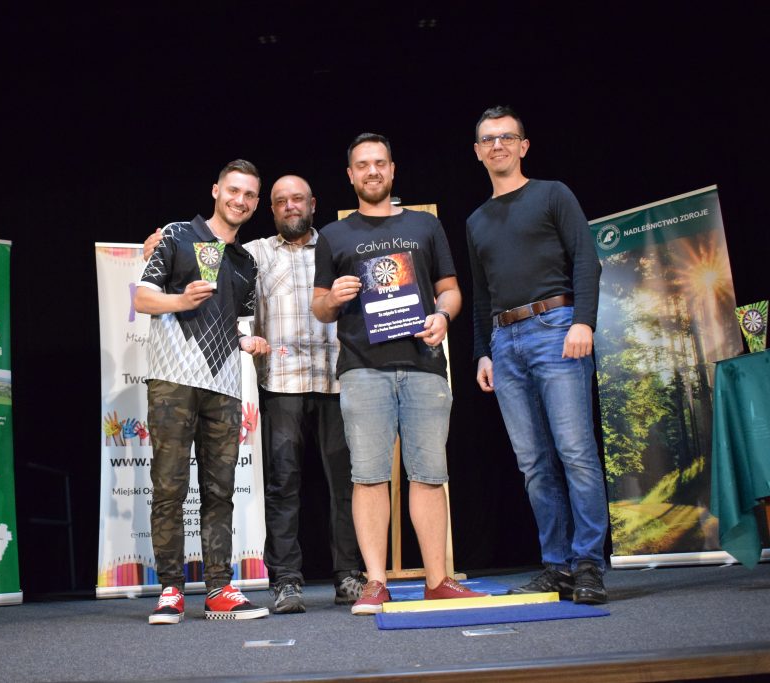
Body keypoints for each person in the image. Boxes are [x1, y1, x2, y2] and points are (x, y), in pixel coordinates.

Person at [144, 175, 365, 615]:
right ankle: (267, 582)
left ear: (313, 203)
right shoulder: (239, 249)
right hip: (265, 382)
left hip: (326, 379)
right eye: (280, 200)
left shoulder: (323, 247)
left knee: (335, 486)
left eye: (297, 199)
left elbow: (237, 323)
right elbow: (152, 293)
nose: (290, 206)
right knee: (255, 486)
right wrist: (158, 257)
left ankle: (338, 577)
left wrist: (246, 341)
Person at [312, 133, 486, 615]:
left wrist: (443, 316)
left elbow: (450, 290)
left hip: (425, 367)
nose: (372, 171)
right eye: (362, 165)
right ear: (350, 175)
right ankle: (374, 582)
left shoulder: (424, 225)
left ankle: (437, 580)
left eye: (380, 163)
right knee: (368, 478)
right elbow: (319, 307)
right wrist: (334, 298)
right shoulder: (333, 236)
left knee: (429, 476)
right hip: (363, 369)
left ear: (392, 169)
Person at [466, 106, 609, 604]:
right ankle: (557, 565)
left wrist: (583, 321)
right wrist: (483, 353)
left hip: (556, 327)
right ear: (478, 152)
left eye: (507, 137)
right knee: (533, 463)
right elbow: (481, 295)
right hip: (504, 343)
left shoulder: (553, 194)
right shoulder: (476, 220)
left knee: (575, 452)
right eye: (488, 139)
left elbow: (586, 258)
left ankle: (588, 564)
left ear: (523, 145)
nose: (498, 145)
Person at [134, 159, 272, 624]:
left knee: (220, 491)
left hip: (225, 386)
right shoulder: (178, 234)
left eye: (249, 195)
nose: (240, 200)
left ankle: (218, 589)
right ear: (216, 190)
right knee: (169, 488)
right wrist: (180, 300)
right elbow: (142, 297)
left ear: (256, 202)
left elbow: (237, 324)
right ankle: (170, 590)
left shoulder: (246, 262)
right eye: (234, 190)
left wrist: (248, 341)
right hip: (173, 381)